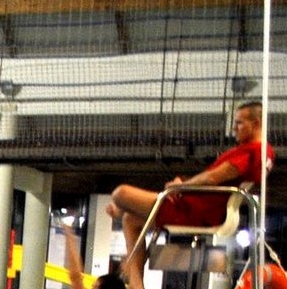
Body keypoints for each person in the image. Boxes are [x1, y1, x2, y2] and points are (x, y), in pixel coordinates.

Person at [107, 101, 273, 273]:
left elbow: (213, 177)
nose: (234, 129)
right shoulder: (265, 153)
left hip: (195, 212)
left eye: (239, 123)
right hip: (198, 207)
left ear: (256, 124)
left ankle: (119, 210)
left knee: (120, 193)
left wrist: (181, 186)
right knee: (130, 219)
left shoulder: (253, 151)